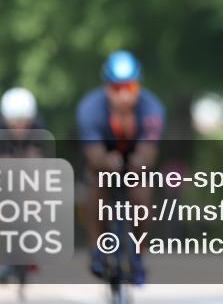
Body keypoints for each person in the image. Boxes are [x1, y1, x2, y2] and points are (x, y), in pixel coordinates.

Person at [77, 50, 165, 286]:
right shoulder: (90, 109)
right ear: (107, 88)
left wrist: (139, 162)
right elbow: (93, 153)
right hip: (103, 158)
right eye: (117, 89)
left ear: (138, 87)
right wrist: (106, 161)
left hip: (136, 160)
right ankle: (97, 249)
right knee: (98, 185)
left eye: (131, 88)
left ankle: (138, 254)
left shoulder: (152, 108)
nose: (124, 96)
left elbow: (150, 150)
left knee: (142, 194)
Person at [0, 87, 48, 285]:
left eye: (23, 123)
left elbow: (37, 159)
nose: (19, 128)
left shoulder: (39, 127)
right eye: (14, 123)